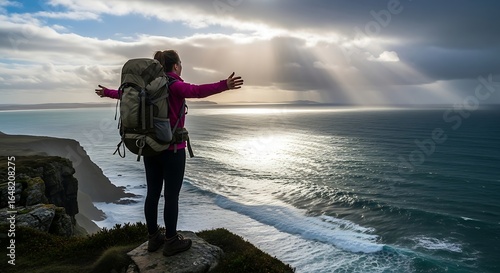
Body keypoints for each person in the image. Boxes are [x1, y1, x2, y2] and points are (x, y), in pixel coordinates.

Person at [95, 50, 243, 256]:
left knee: (152, 194)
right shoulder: (174, 85)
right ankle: (171, 241)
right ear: (175, 66)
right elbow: (197, 91)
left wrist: (107, 92)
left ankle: (153, 238)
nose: (181, 67)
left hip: (149, 147)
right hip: (173, 150)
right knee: (171, 197)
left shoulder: (147, 87)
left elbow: (123, 94)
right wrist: (224, 85)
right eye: (180, 64)